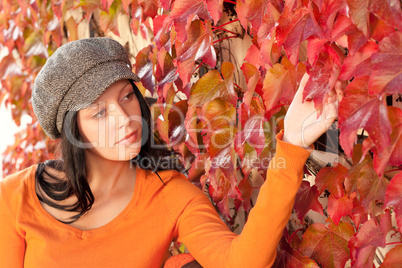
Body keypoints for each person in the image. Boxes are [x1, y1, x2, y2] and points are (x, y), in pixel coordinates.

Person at [0, 37, 342, 267]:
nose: (124, 119)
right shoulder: (15, 198)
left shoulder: (169, 195)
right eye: (100, 112)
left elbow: (243, 261)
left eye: (126, 96)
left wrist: (293, 143)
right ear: (75, 130)